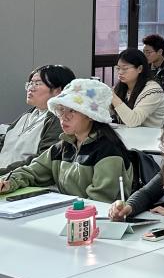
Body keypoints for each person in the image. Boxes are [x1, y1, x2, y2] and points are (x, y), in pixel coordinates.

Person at [0, 78, 132, 201]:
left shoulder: (108, 151)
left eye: (72, 111)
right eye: (61, 110)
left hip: (93, 216)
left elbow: (101, 200)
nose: (64, 116)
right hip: (69, 212)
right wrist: (8, 182)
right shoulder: (62, 147)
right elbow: (33, 171)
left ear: (91, 115)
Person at [0, 65, 75, 177]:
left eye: (37, 84)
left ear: (58, 90)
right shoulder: (28, 114)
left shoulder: (60, 119)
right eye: (30, 83)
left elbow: (43, 160)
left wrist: (5, 173)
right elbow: (3, 143)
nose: (31, 88)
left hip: (21, 180)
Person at [111, 48, 164, 128]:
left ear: (140, 69)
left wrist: (112, 96)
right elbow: (105, 110)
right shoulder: (120, 87)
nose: (120, 72)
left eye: (125, 68)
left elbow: (133, 121)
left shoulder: (153, 90)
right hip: (131, 134)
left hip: (157, 134)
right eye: (118, 68)